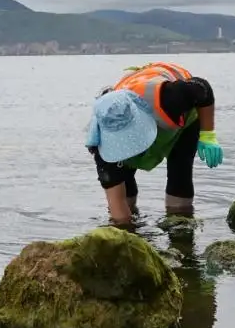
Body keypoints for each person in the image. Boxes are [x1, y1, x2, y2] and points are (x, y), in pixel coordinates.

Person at [86, 62, 223, 226]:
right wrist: (126, 235)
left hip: (182, 120)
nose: (129, 149)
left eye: (131, 139)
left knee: (180, 172)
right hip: (143, 111)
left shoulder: (170, 98)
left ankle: (181, 226)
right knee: (123, 190)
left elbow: (203, 88)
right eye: (123, 144)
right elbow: (116, 204)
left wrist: (207, 135)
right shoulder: (101, 147)